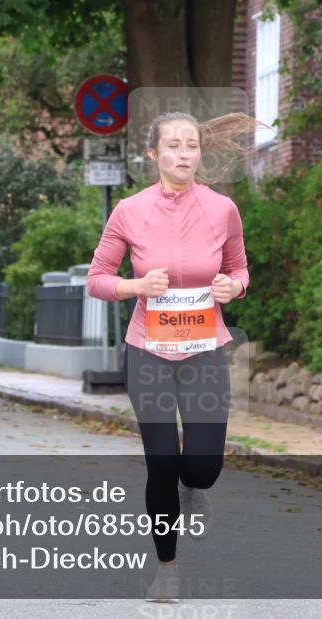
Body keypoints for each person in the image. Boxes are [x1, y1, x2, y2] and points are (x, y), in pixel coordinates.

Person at [86, 111, 260, 602]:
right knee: (161, 463)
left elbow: (239, 268)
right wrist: (135, 285)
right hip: (149, 353)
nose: (184, 154)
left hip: (204, 353)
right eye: (174, 146)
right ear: (153, 155)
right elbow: (97, 278)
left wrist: (234, 287)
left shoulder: (222, 208)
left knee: (201, 470)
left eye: (192, 146)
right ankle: (167, 569)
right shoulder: (129, 210)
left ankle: (192, 487)